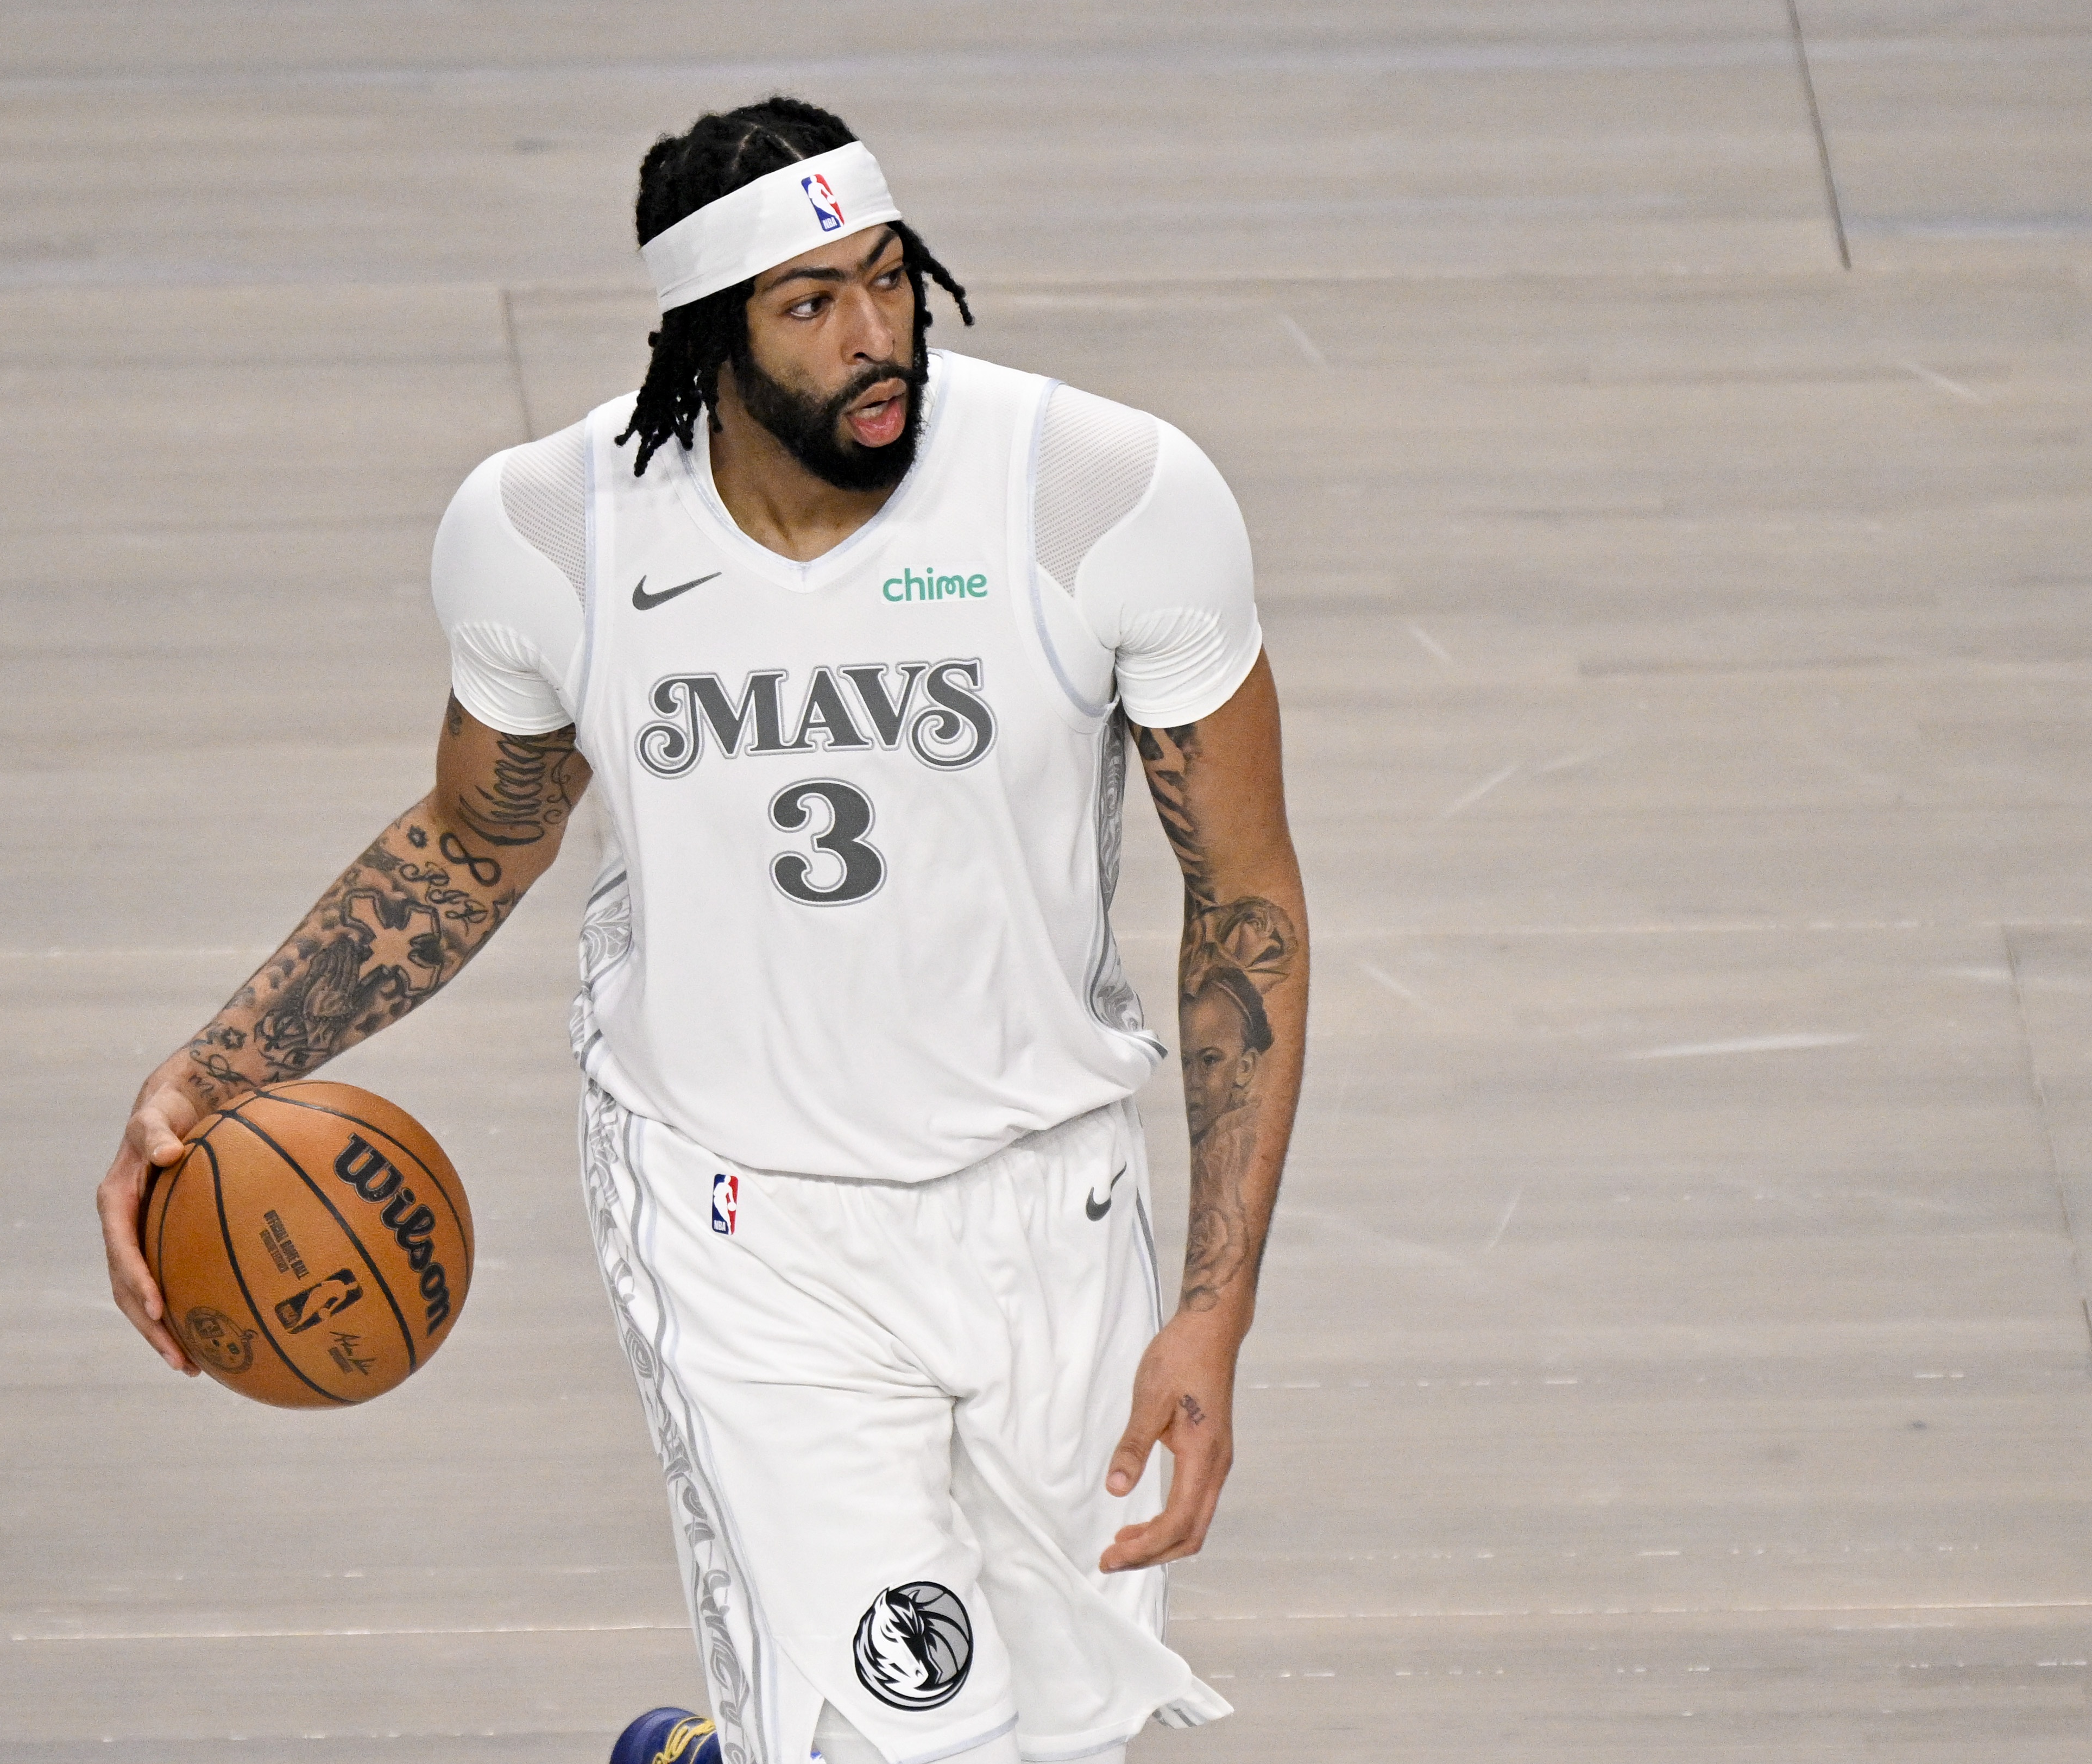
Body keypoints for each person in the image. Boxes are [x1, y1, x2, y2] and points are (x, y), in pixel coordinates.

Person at [95, 95, 1308, 1764]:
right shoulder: (554, 534)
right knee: (909, 1747)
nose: (877, 336)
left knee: (1070, 1743)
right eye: (812, 304)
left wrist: (1217, 1308)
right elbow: (473, 841)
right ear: (705, 340)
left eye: (890, 278)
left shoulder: (1101, 496)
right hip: (747, 1226)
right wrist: (216, 1066)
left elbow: (1243, 905)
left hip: (1052, 1209)